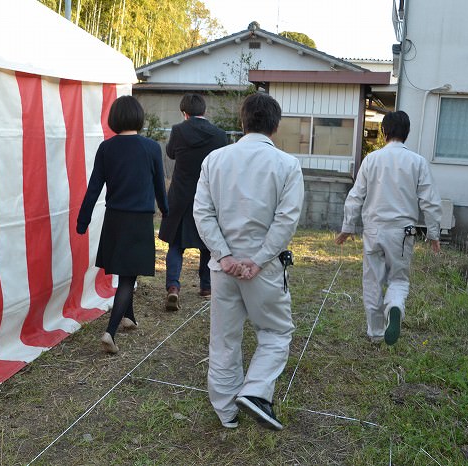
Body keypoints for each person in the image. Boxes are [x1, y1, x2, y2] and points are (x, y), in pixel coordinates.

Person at [193, 93, 304, 431]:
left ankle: (227, 411)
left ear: (242, 122)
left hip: (223, 269)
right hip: (265, 269)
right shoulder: (287, 164)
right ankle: (256, 392)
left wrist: (224, 256)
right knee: (275, 332)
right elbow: (286, 220)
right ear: (275, 125)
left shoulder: (215, 159)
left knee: (224, 339)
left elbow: (203, 212)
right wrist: (256, 261)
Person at [335, 110, 442, 346]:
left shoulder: (371, 160)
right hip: (402, 233)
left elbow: (356, 196)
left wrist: (347, 226)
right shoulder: (417, 162)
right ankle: (394, 306)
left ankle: (375, 333)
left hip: (373, 230)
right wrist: (434, 234)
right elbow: (430, 202)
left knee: (372, 280)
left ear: (384, 132)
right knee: (399, 279)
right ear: (407, 133)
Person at [77, 95, 168, 354]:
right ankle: (111, 331)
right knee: (129, 275)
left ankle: (129, 318)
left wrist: (82, 221)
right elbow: (159, 186)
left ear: (114, 119)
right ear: (139, 118)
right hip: (139, 220)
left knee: (125, 270)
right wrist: (166, 210)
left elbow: (94, 187)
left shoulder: (106, 148)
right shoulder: (151, 148)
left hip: (114, 218)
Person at [159, 94, 227, 311]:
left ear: (184, 113)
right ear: (204, 111)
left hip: (181, 195)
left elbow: (170, 153)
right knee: (208, 244)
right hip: (208, 195)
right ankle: (206, 287)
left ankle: (172, 288)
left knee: (176, 245)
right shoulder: (220, 135)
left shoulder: (179, 130)